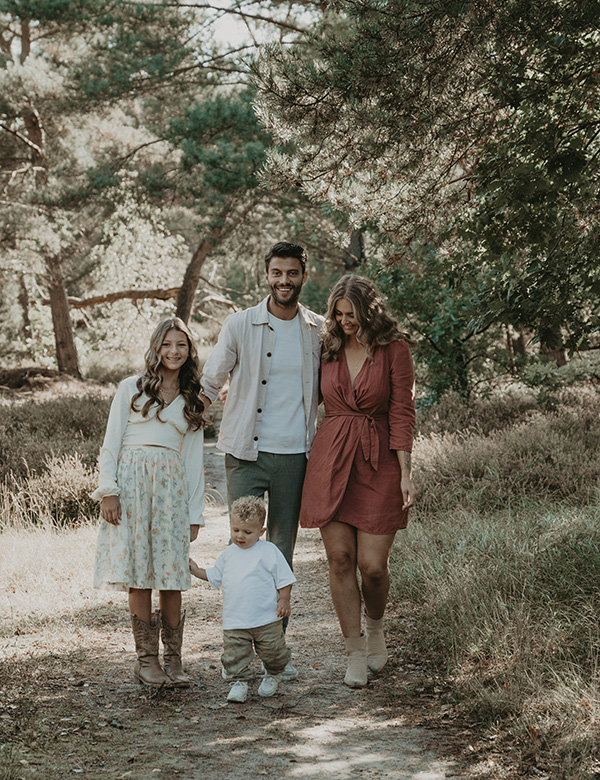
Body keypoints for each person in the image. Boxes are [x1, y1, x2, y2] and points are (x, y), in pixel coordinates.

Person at [198, 242, 324, 680]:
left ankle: (274, 653)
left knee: (279, 553)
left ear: (303, 276)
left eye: (292, 273)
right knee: (243, 547)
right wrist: (180, 420)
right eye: (277, 273)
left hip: (295, 456)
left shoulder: (319, 330)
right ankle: (238, 650)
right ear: (266, 275)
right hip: (245, 454)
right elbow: (211, 380)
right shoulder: (240, 324)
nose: (284, 281)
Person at [300, 275, 417, 688]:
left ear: (370, 311)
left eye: (351, 314)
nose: (344, 321)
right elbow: (299, 393)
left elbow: (402, 411)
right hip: (331, 459)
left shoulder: (394, 348)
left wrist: (405, 473)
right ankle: (353, 651)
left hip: (378, 460)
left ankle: (376, 627)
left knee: (373, 567)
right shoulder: (327, 347)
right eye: (338, 314)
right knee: (340, 559)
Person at [92, 317, 206, 688]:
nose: (174, 351)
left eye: (181, 345)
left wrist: (194, 513)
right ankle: (146, 661)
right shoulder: (131, 387)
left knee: (172, 575)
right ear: (156, 348)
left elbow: (194, 460)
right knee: (139, 574)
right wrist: (109, 489)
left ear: (189, 351)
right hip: (132, 484)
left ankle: (174, 659)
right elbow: (111, 442)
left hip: (170, 489)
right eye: (167, 344)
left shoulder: (192, 398)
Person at [189, 496, 296, 703]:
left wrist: (284, 599)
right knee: (235, 656)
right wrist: (196, 570)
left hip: (266, 618)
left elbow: (284, 578)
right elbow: (214, 575)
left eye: (247, 532)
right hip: (235, 620)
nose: (240, 536)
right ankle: (239, 682)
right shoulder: (228, 554)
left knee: (274, 652)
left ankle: (273, 674)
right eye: (235, 530)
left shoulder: (268, 551)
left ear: (261, 532)